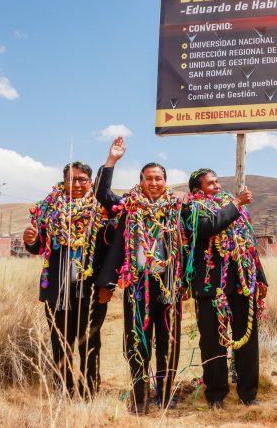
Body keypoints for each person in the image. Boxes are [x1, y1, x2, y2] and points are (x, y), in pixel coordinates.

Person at [94, 137, 185, 414]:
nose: (154, 183)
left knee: (168, 343)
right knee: (136, 343)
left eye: (158, 178)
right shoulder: (128, 206)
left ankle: (166, 397)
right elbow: (101, 194)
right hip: (138, 284)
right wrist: (111, 160)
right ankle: (140, 398)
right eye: (149, 178)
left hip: (169, 285)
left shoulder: (178, 209)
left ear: (165, 181)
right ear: (141, 181)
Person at [23, 161, 112, 398]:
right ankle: (63, 389)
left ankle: (88, 391)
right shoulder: (49, 209)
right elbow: (38, 246)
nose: (77, 184)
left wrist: (108, 284)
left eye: (82, 179)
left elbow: (112, 251)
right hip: (57, 289)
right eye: (71, 179)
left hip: (91, 290)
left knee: (90, 343)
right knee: (60, 342)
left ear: (90, 182)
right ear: (64, 181)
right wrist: (30, 240)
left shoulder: (101, 210)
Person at [182, 168, 267, 409]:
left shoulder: (236, 209)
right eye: (211, 184)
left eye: (217, 182)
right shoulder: (191, 210)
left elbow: (249, 245)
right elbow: (209, 228)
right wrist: (237, 202)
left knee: (247, 340)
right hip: (211, 288)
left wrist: (260, 278)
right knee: (212, 341)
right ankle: (216, 395)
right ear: (198, 189)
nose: (217, 186)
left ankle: (248, 393)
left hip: (242, 285)